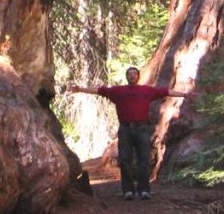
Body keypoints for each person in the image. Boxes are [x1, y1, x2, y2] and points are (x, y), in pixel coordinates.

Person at [67, 67, 196, 201]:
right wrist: (80, 89)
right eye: (129, 74)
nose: (132, 76)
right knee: (125, 160)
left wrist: (185, 95)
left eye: (134, 74)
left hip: (142, 129)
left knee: (143, 160)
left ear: (138, 76)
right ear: (127, 77)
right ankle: (128, 190)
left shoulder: (147, 91)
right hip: (125, 130)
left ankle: (144, 190)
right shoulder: (118, 91)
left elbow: (166, 91)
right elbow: (100, 91)